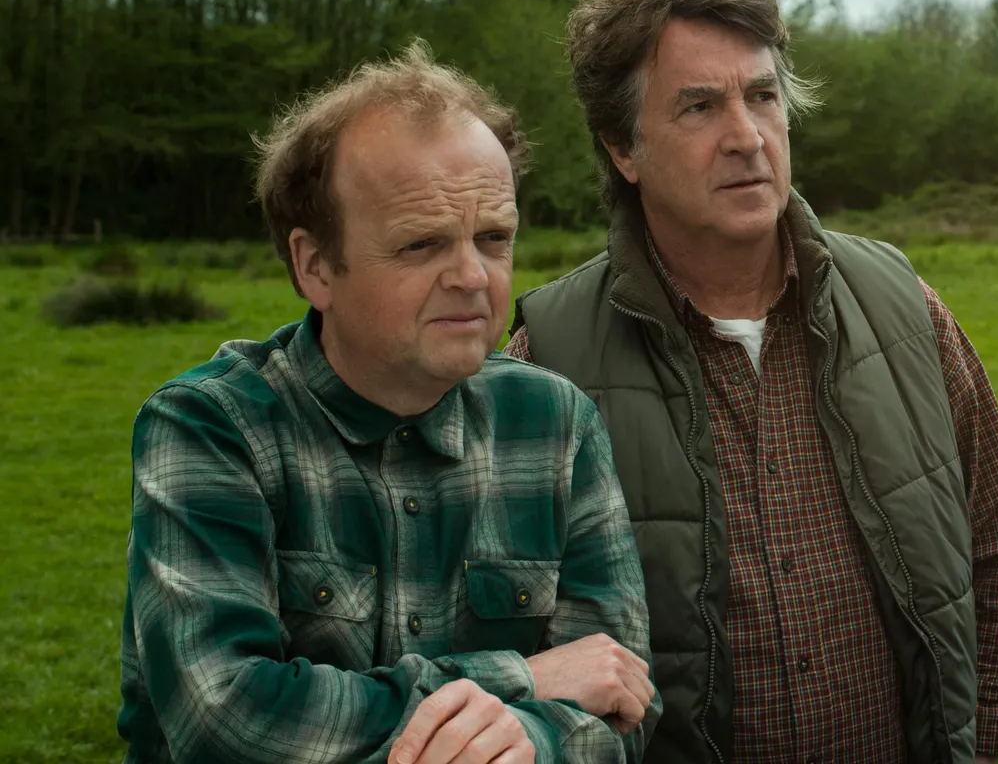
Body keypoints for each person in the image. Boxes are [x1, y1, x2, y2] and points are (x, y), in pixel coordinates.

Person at [503, 0, 998, 764]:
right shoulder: (548, 358)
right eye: (699, 107)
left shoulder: (903, 308)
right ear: (622, 147)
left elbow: (994, 525)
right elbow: (510, 632)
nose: (747, 137)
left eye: (762, 96)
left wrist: (986, 728)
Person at [118, 45, 659, 764]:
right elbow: (226, 719)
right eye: (421, 245)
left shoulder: (556, 424)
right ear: (315, 265)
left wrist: (528, 743)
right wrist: (521, 680)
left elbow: (621, 700)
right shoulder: (211, 429)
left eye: (493, 238)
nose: (472, 276)